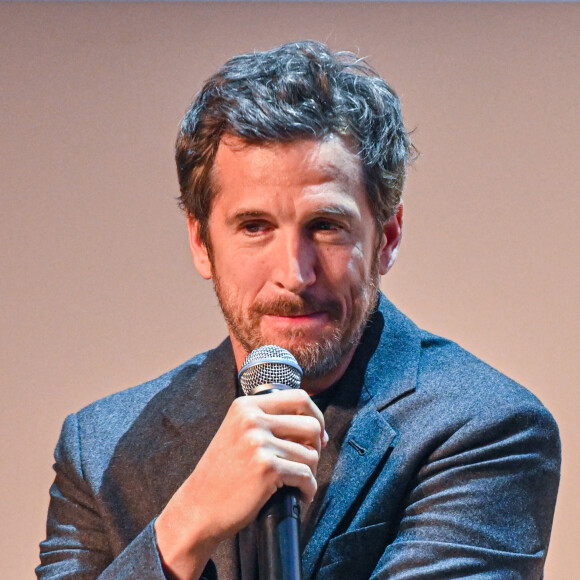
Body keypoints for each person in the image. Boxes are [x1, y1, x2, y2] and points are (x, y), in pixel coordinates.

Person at [37, 40, 560, 580]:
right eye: (254, 227)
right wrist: (185, 526)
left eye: (326, 226)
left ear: (388, 235)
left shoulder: (487, 428)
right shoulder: (100, 450)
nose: (294, 273)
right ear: (200, 242)